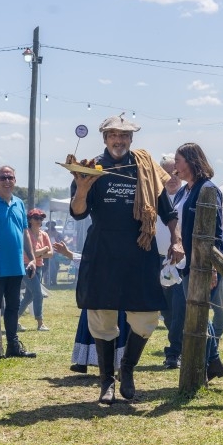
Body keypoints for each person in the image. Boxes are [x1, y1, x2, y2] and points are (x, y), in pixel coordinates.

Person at [69, 114, 183, 404]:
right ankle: (106, 380)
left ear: (131, 139)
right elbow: (78, 212)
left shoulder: (145, 168)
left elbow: (167, 211)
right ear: (105, 138)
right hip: (103, 249)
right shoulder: (90, 168)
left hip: (140, 248)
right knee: (102, 315)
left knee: (146, 317)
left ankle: (127, 369)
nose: (118, 141)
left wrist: (178, 239)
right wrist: (82, 189)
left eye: (124, 136)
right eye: (112, 136)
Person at [172, 143, 223, 381]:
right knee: (194, 312)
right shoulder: (183, 190)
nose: (175, 165)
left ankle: (208, 363)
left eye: (178, 160)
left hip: (205, 261)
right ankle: (213, 361)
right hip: (188, 260)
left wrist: (214, 266)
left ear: (190, 161)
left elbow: (215, 232)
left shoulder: (208, 189)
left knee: (198, 312)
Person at [0, 165, 37, 358]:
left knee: (13, 307)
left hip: (16, 266)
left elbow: (25, 232)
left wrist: (33, 258)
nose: (7, 181)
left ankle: (13, 345)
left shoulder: (19, 203)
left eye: (10, 177)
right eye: (2, 178)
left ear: (15, 180)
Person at [54, 240, 130, 374]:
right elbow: (86, 261)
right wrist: (67, 253)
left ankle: (119, 366)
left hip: (116, 296)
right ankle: (83, 362)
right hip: (95, 295)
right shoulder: (98, 242)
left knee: (116, 328)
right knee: (89, 328)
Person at [155, 153, 186, 369]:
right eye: (167, 172)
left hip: (179, 259)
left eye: (176, 172)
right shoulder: (155, 198)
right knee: (165, 309)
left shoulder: (187, 196)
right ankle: (178, 345)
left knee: (179, 306)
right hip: (156, 258)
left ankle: (174, 352)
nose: (172, 177)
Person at [19, 208, 53, 331]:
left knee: (29, 296)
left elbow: (51, 253)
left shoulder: (44, 234)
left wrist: (38, 252)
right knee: (38, 294)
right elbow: (30, 253)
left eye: (41, 218)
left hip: (39, 267)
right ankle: (40, 323)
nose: (39, 220)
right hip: (27, 266)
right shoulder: (26, 233)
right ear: (30, 220)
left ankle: (13, 320)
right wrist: (43, 250)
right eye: (36, 218)